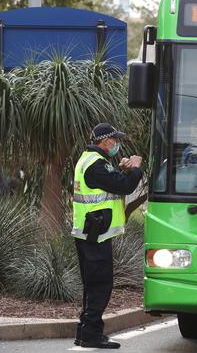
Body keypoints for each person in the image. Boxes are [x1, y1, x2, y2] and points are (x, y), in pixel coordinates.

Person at [71, 123, 143, 349]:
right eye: (115, 140)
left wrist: (121, 170)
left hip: (90, 231)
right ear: (105, 141)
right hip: (96, 234)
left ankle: (85, 332)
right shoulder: (97, 165)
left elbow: (109, 185)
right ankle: (90, 334)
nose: (116, 144)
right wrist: (135, 169)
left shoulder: (89, 160)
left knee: (92, 285)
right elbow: (126, 187)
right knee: (100, 285)